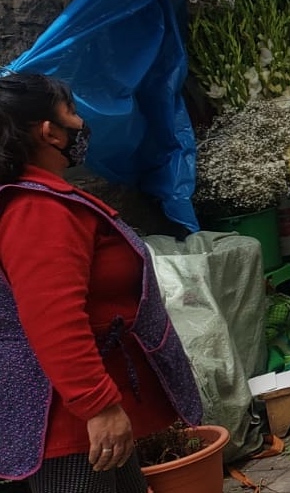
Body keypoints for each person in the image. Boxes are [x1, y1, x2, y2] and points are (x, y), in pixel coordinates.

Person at [0, 73, 202, 491]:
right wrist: (97, 406)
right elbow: (53, 320)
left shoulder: (45, 199)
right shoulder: (38, 211)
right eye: (71, 112)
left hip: (82, 413)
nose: (80, 122)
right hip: (66, 423)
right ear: (49, 133)